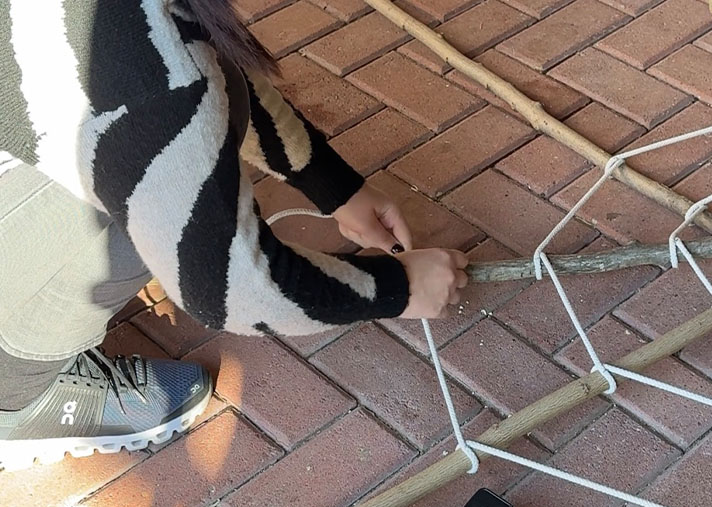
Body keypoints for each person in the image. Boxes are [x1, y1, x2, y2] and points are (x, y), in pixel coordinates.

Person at [0, 0, 470, 470]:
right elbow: (229, 287)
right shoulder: (134, 55)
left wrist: (334, 186)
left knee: (182, 138)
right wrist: (399, 287)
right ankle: (15, 399)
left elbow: (203, 66)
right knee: (139, 224)